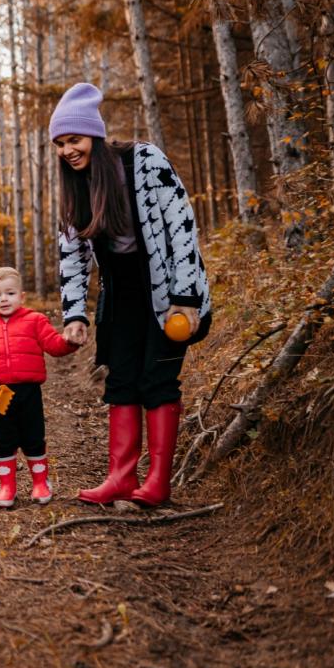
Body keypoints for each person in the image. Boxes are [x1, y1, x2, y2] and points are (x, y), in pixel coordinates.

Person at [50, 82, 211, 507]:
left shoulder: (143, 161)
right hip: (120, 294)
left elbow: (182, 227)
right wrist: (75, 314)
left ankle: (157, 482)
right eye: (60, 143)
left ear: (95, 137)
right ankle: (120, 478)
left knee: (157, 379)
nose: (68, 150)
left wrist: (187, 297)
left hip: (168, 291)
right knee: (121, 380)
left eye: (75, 140)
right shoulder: (75, 186)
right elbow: (72, 256)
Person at [0, 266, 79, 507]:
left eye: (10, 293)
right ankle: (7, 486)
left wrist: (69, 342)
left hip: (28, 393)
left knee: (33, 437)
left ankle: (40, 482)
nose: (4, 299)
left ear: (22, 296)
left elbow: (54, 345)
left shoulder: (35, 321)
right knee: (4, 440)